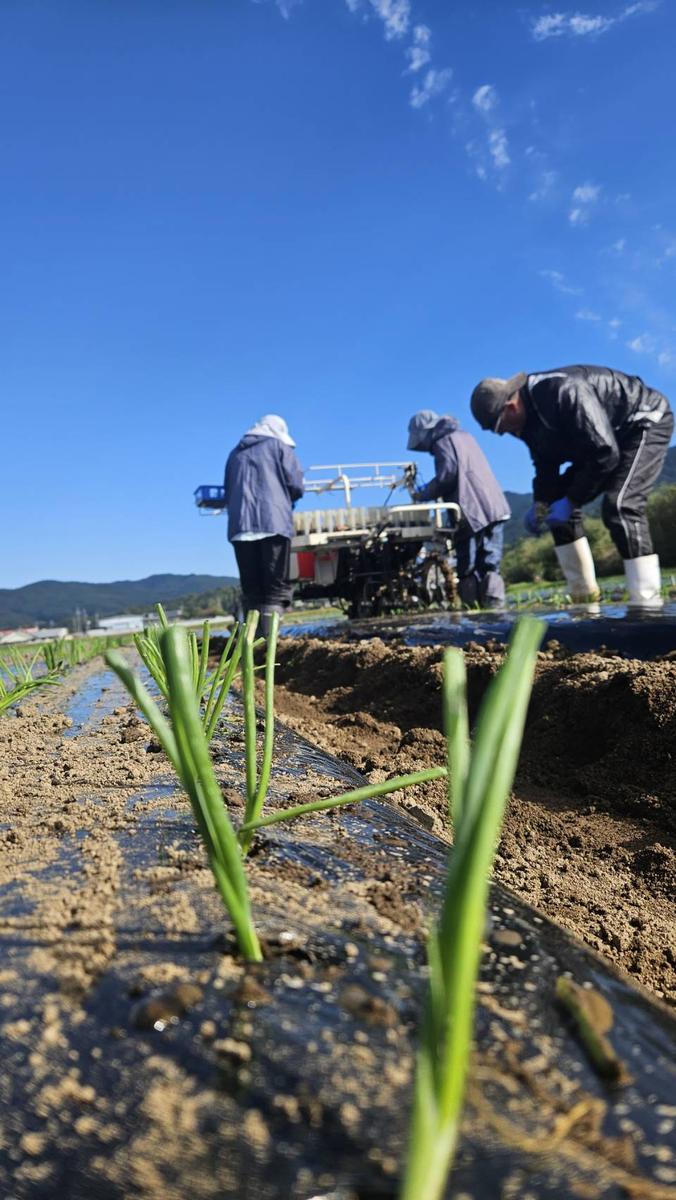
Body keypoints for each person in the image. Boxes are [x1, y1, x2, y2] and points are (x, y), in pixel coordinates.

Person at [470, 366, 674, 610]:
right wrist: (541, 503)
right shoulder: (526, 423)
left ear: (510, 408)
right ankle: (584, 602)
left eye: (500, 428)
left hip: (641, 422)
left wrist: (572, 500)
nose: (505, 434)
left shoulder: (563, 391)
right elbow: (546, 465)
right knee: (557, 512)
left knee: (620, 504)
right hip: (602, 442)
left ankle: (646, 603)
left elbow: (605, 454)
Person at [406, 410, 511, 608]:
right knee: (490, 563)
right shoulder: (464, 436)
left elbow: (448, 475)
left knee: (467, 567)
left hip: (472, 510)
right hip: (495, 505)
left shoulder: (442, 442)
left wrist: (424, 493)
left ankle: (473, 612)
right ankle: (495, 610)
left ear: (426, 432)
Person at [224, 414, 304, 635]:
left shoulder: (234, 454)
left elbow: (228, 491)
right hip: (273, 523)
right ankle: (271, 642)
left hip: (240, 528)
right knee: (275, 588)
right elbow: (296, 484)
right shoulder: (278, 447)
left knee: (253, 589)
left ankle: (254, 642)